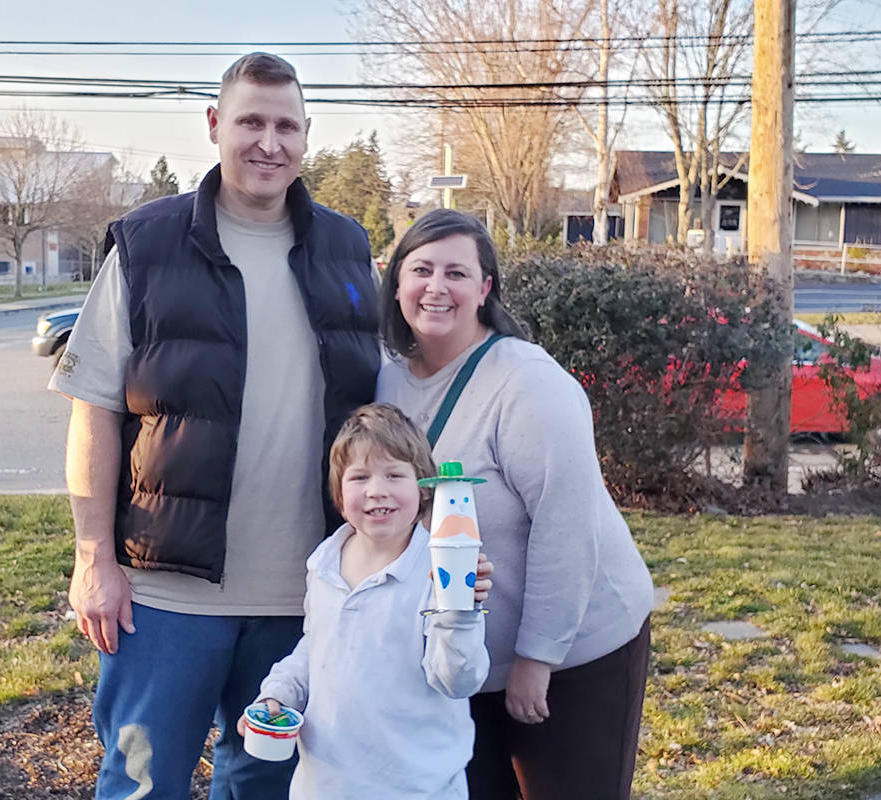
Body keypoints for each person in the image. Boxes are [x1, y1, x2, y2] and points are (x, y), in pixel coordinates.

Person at [50, 52, 381, 800]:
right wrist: (93, 558)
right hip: (165, 597)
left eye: (286, 127)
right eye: (250, 122)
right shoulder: (147, 244)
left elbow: (387, 401)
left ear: (307, 135)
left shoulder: (347, 248)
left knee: (268, 787)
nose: (269, 143)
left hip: (305, 596)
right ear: (214, 125)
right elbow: (93, 408)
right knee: (140, 784)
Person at [375, 209, 654, 799]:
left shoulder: (527, 383)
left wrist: (537, 659)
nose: (436, 287)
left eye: (456, 273)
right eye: (421, 269)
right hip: (462, 657)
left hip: (574, 653)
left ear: (485, 289)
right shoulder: (388, 380)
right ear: (396, 281)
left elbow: (567, 526)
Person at [238, 403, 494, 799]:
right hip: (324, 786)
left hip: (417, 788)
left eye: (394, 475)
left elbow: (457, 681)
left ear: (424, 487)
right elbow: (316, 647)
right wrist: (279, 692)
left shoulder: (440, 570)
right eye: (359, 477)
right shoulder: (324, 563)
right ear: (339, 494)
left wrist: (459, 613)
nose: (376, 490)